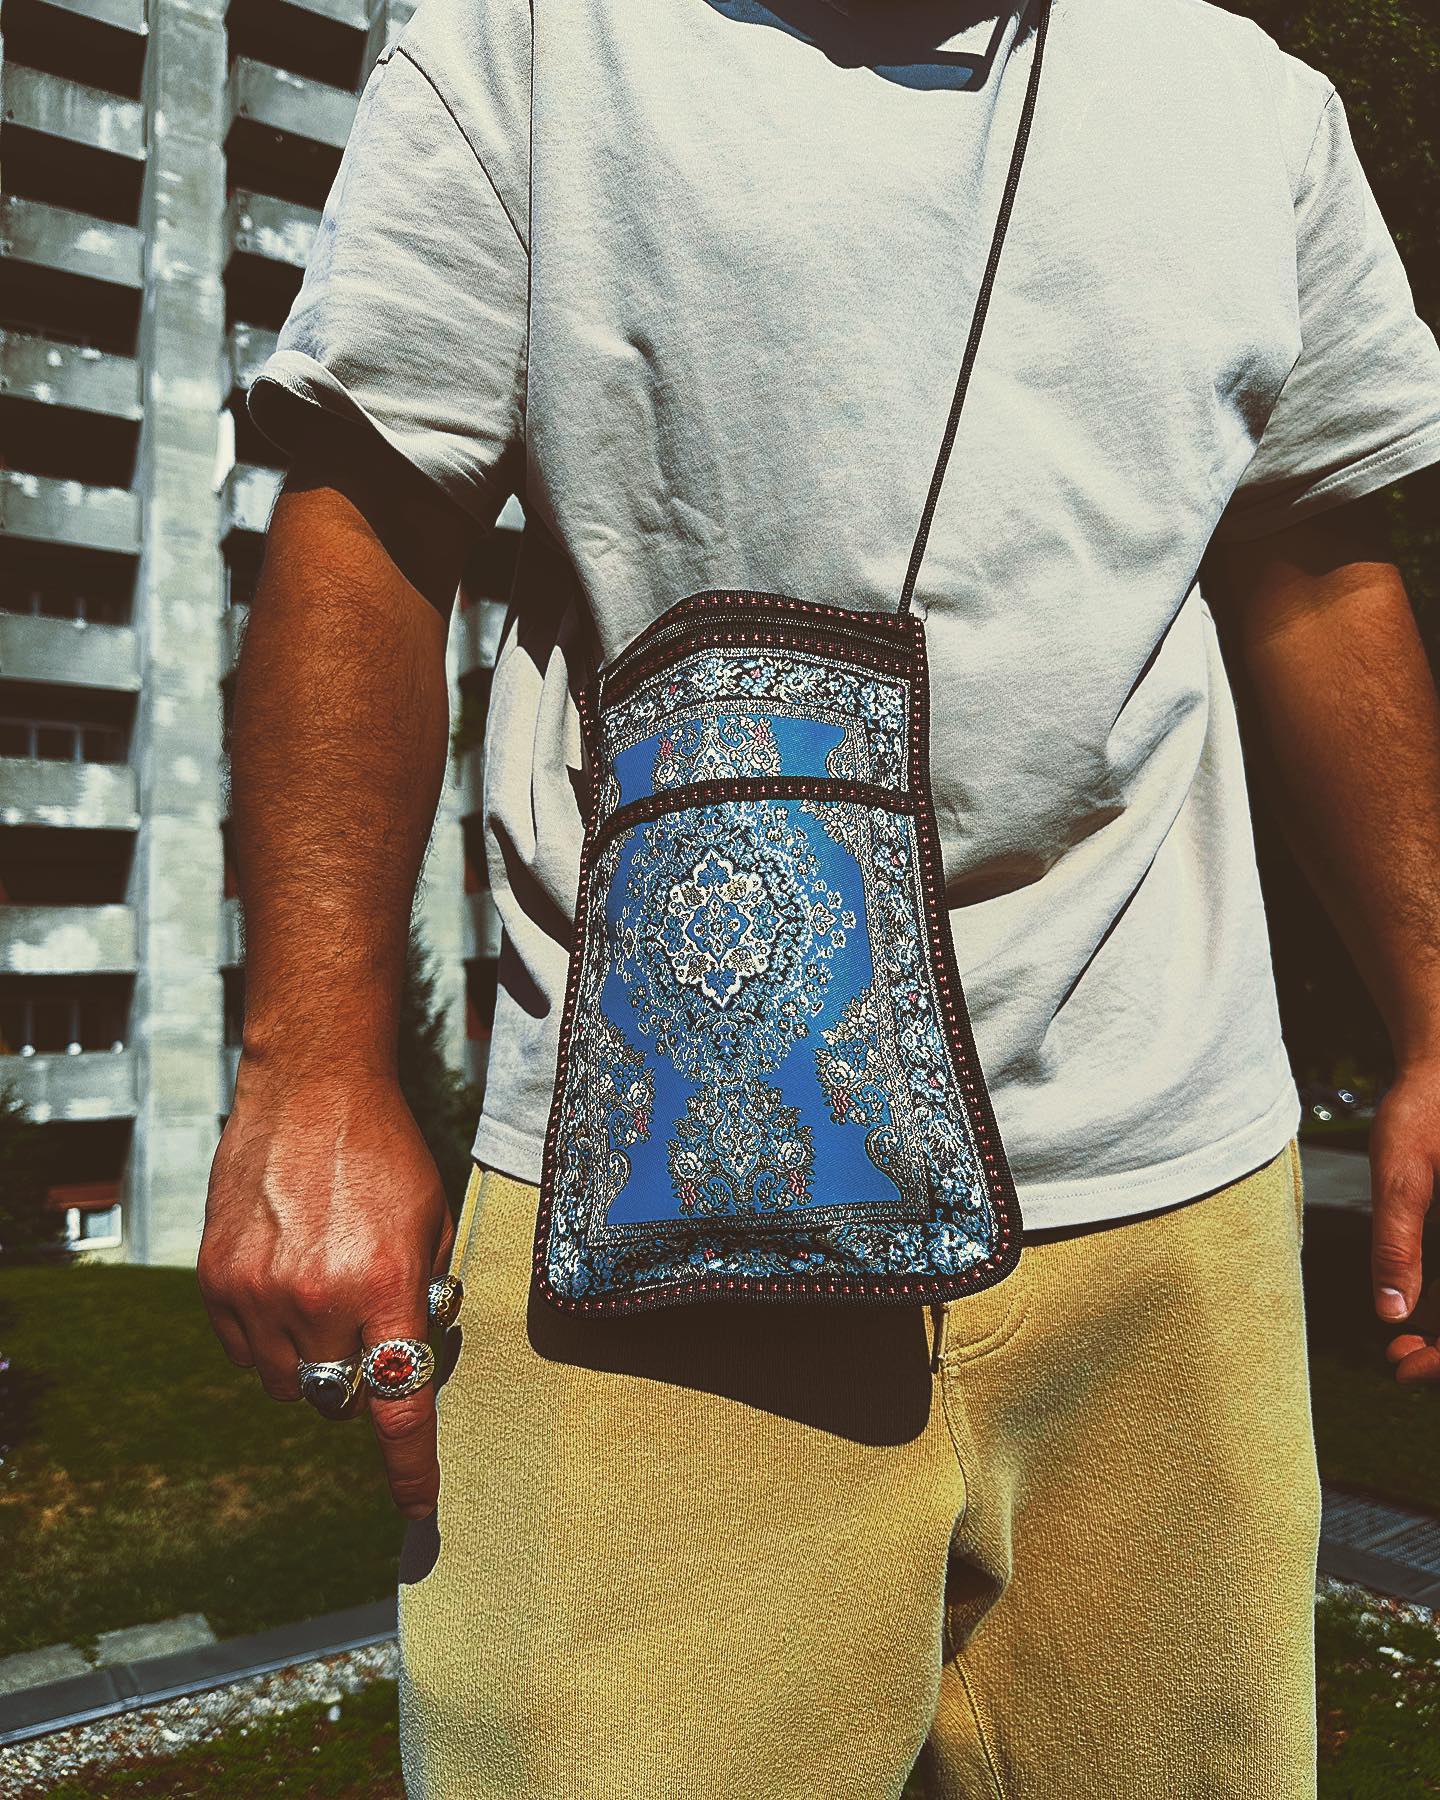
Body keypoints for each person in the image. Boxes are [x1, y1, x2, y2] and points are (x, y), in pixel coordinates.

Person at [198, 0, 1440, 1792]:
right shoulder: (522, 48)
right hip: (650, 1223)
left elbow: (1318, 568)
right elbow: (367, 525)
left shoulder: (1250, 104)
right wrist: (311, 1068)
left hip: (1175, 1197)